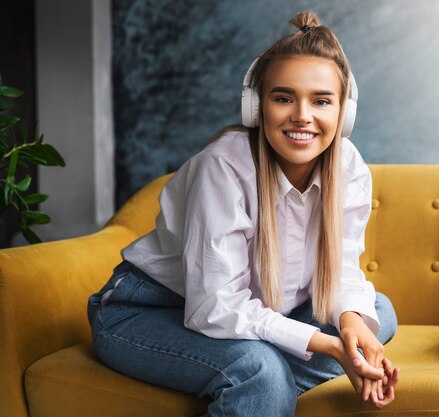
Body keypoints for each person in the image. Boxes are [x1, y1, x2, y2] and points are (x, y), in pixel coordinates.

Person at [87, 10, 399, 417]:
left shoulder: (349, 167)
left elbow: (341, 270)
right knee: (260, 370)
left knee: (376, 314)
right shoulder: (223, 167)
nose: (302, 115)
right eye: (283, 97)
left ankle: (257, 389)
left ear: (344, 112)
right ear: (256, 106)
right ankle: (261, 383)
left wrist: (351, 327)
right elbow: (213, 307)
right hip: (149, 311)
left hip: (257, 312)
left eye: (321, 100)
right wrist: (325, 344)